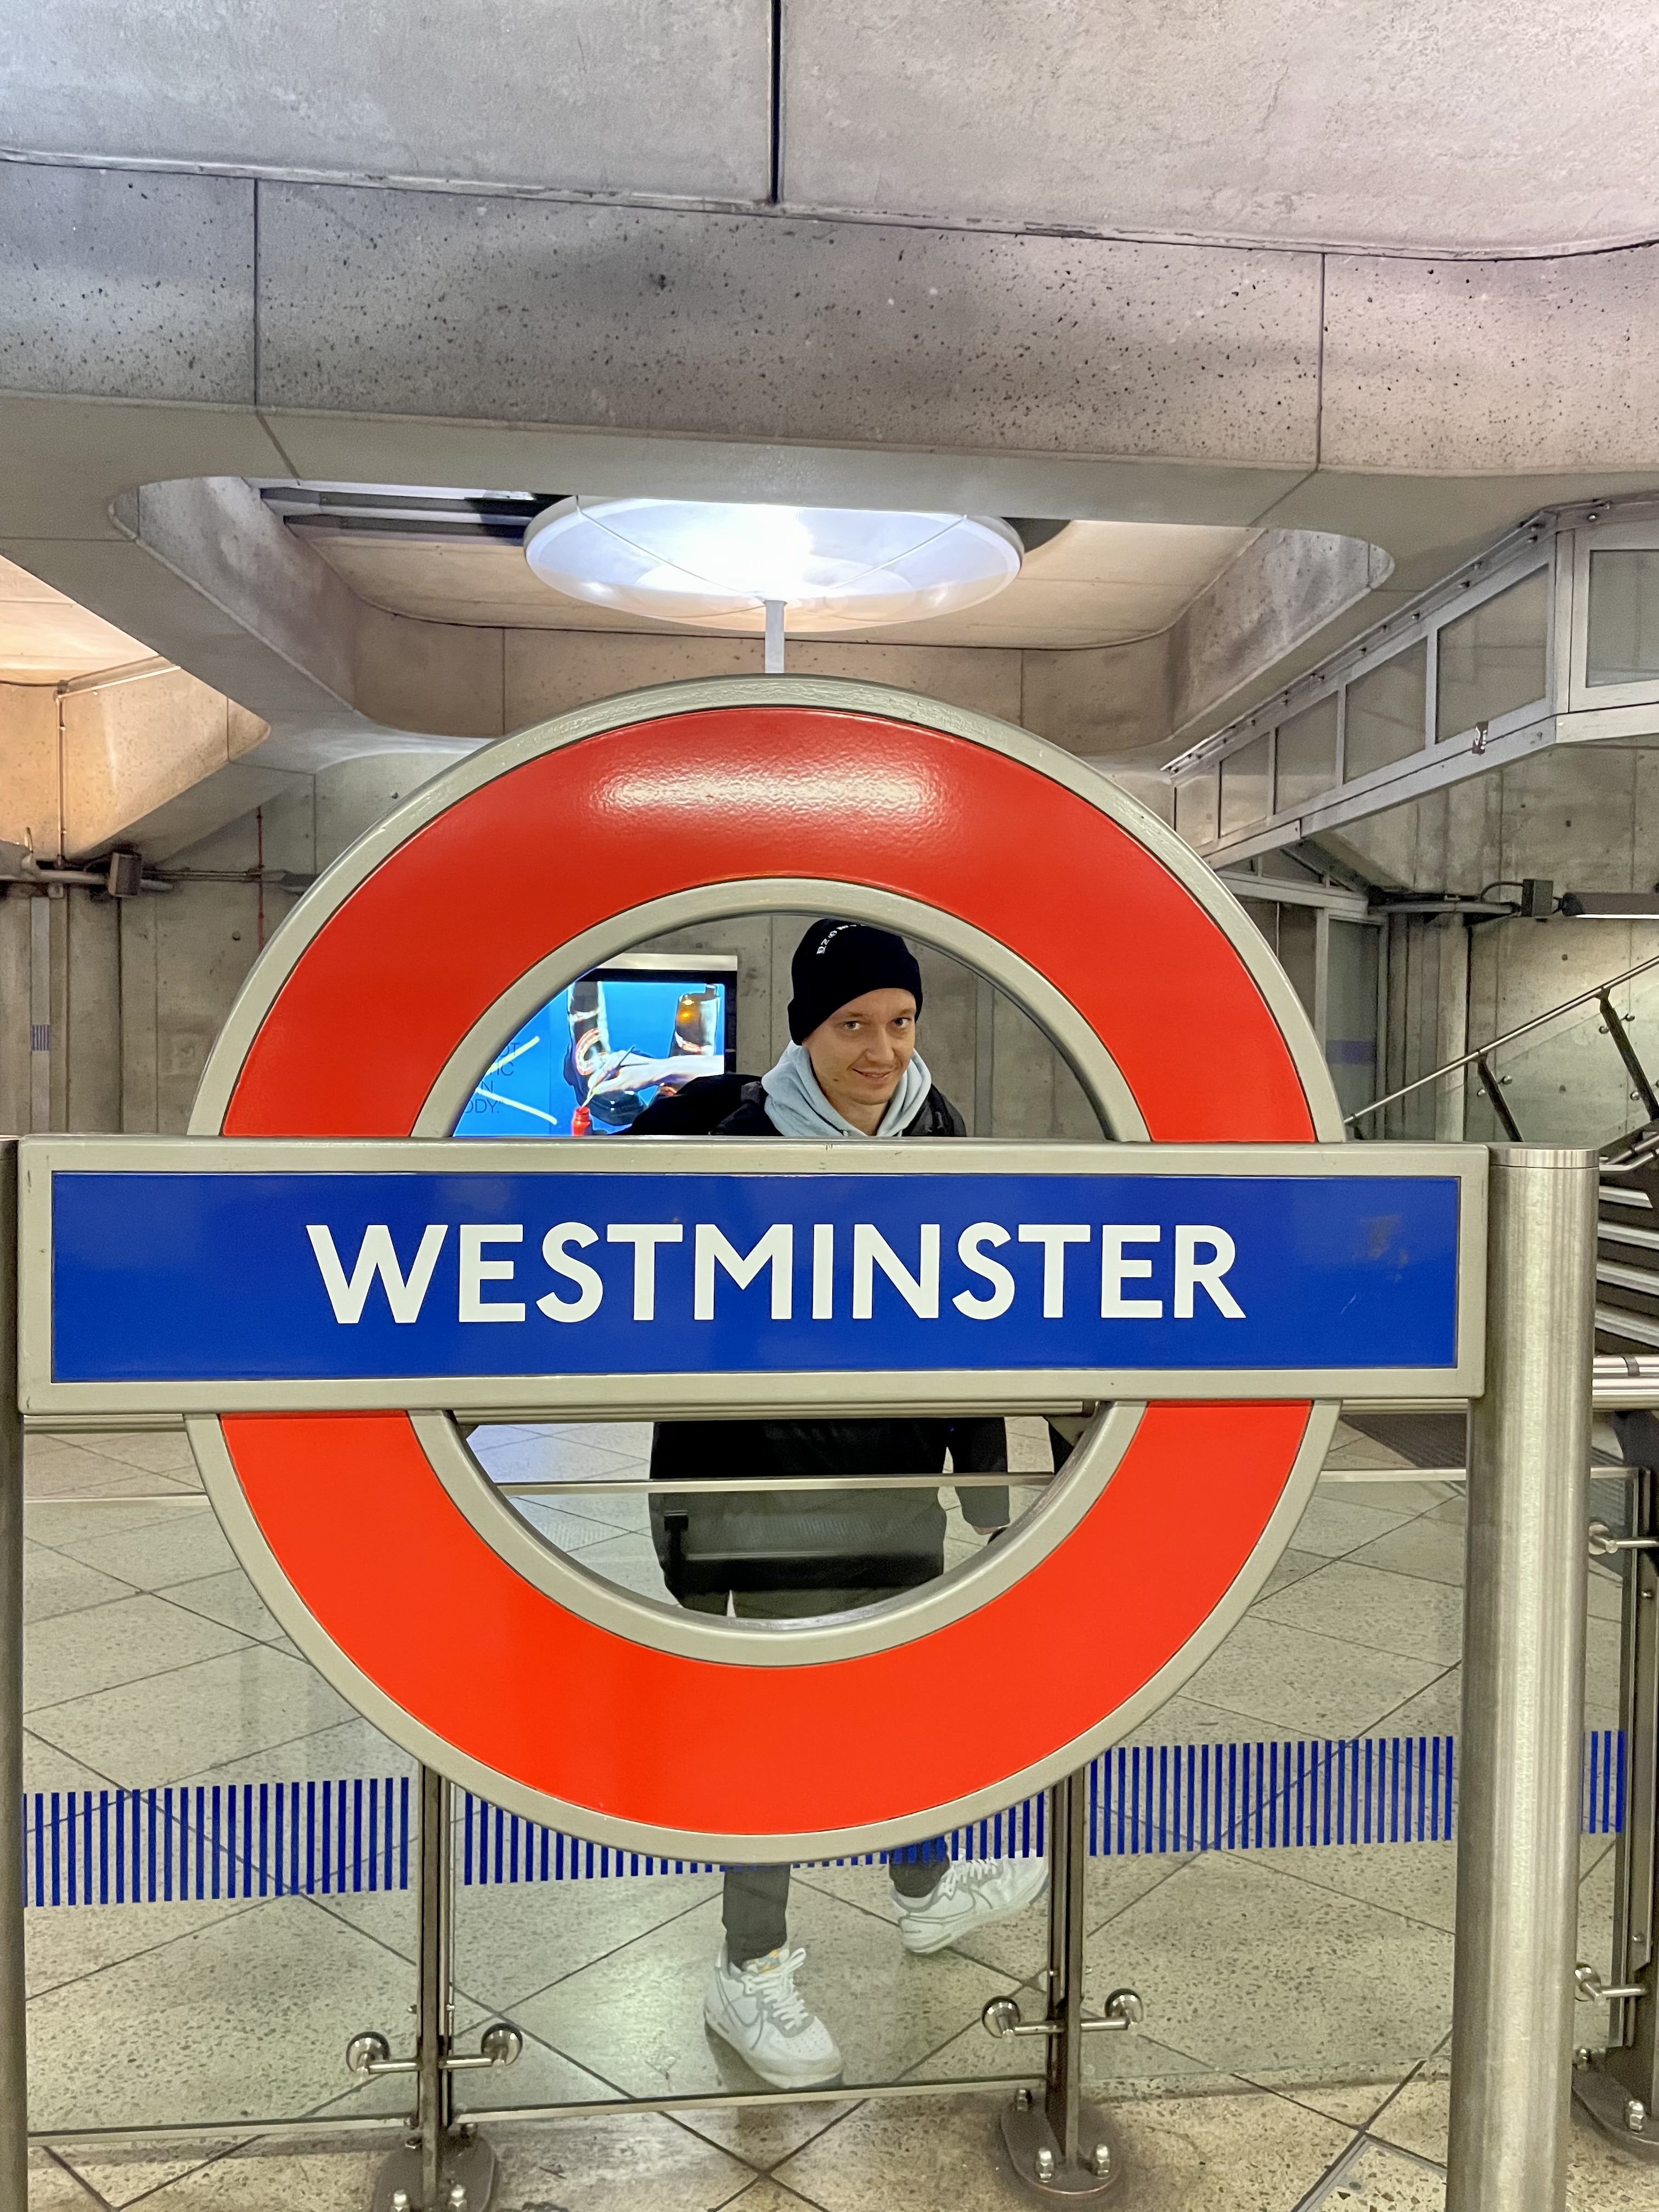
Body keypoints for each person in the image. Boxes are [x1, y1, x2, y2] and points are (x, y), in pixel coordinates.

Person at [643, 919, 1048, 2090]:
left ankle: (924, 1890)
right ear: (805, 1032)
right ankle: (749, 1969)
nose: (882, 1050)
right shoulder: (732, 1145)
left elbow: (967, 1326)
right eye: (852, 1024)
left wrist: (984, 1493)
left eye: (901, 1021)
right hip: (761, 1496)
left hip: (893, 1485)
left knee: (900, 1695)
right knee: (775, 1729)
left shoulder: (937, 1130)